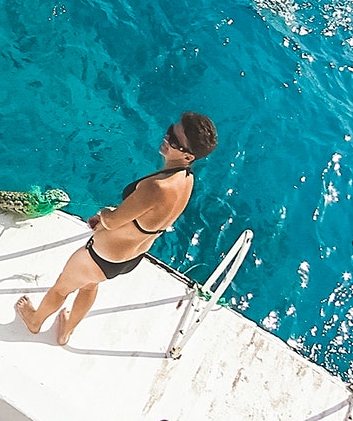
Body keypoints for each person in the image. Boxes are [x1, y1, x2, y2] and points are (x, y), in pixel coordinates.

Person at [15, 114, 218, 345]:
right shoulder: (186, 179)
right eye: (171, 129)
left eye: (173, 140)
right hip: (129, 258)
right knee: (90, 286)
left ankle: (34, 321)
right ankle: (66, 331)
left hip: (100, 255)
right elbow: (148, 216)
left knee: (61, 289)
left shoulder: (157, 186)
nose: (166, 136)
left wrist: (104, 214)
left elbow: (112, 221)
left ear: (187, 155)